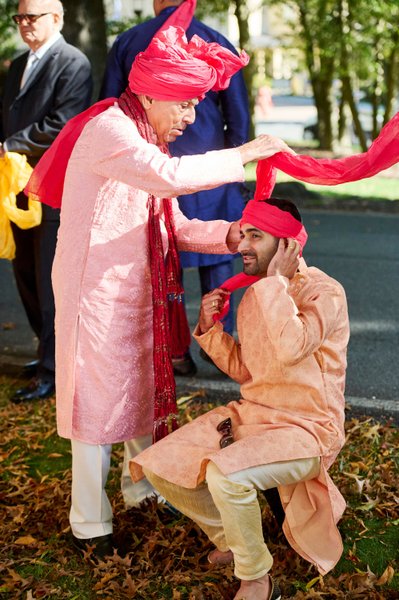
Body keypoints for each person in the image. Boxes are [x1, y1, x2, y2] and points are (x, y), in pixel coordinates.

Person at [26, 16, 292, 559]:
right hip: (94, 290)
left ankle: (141, 490)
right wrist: (244, 153)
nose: (192, 117)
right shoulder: (110, 129)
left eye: (198, 104)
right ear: (150, 94)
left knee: (140, 393)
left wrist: (236, 236)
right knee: (95, 410)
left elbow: (173, 224)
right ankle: (90, 526)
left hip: (137, 288)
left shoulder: (143, 134)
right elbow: (169, 178)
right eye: (185, 104)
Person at [130, 197, 350, 600]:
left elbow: (290, 346)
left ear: (287, 246)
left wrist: (273, 285)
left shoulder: (325, 292)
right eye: (243, 234)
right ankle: (232, 539)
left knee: (224, 475)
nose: (242, 245)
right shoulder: (256, 296)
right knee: (158, 464)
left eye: (255, 235)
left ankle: (257, 578)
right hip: (254, 415)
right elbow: (251, 372)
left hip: (308, 428)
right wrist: (209, 328)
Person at [100, 0, 250, 376]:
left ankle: (175, 351)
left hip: (152, 164)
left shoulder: (130, 40)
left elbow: (109, 106)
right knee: (218, 257)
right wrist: (234, 164)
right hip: (210, 165)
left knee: (163, 258)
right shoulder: (216, 41)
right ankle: (221, 348)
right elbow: (239, 114)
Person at [0, 0, 92, 403]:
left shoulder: (74, 62)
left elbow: (64, 123)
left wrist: (9, 146)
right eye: (18, 17)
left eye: (31, 17)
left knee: (50, 278)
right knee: (23, 272)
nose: (23, 24)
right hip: (16, 184)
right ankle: (46, 354)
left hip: (53, 185)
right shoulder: (18, 64)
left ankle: (55, 370)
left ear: (56, 18)